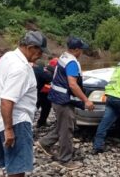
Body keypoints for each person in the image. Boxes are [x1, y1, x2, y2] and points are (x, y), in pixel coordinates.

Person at [0, 31, 48, 177]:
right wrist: (9, 130)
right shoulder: (21, 68)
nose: (41, 55)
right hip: (15, 121)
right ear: (31, 47)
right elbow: (7, 100)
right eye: (40, 51)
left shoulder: (8, 56)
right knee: (17, 168)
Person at [36, 37, 94, 170]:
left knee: (63, 124)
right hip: (63, 101)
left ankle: (44, 143)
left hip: (57, 98)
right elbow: (73, 85)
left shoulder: (63, 57)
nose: (82, 52)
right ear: (76, 50)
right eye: (81, 49)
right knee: (67, 130)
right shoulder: (72, 63)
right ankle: (65, 160)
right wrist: (86, 100)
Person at [33, 58, 57, 128]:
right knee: (43, 107)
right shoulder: (44, 72)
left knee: (44, 106)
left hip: (40, 92)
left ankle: (41, 122)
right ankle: (40, 122)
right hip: (40, 93)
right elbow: (50, 78)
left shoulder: (35, 69)